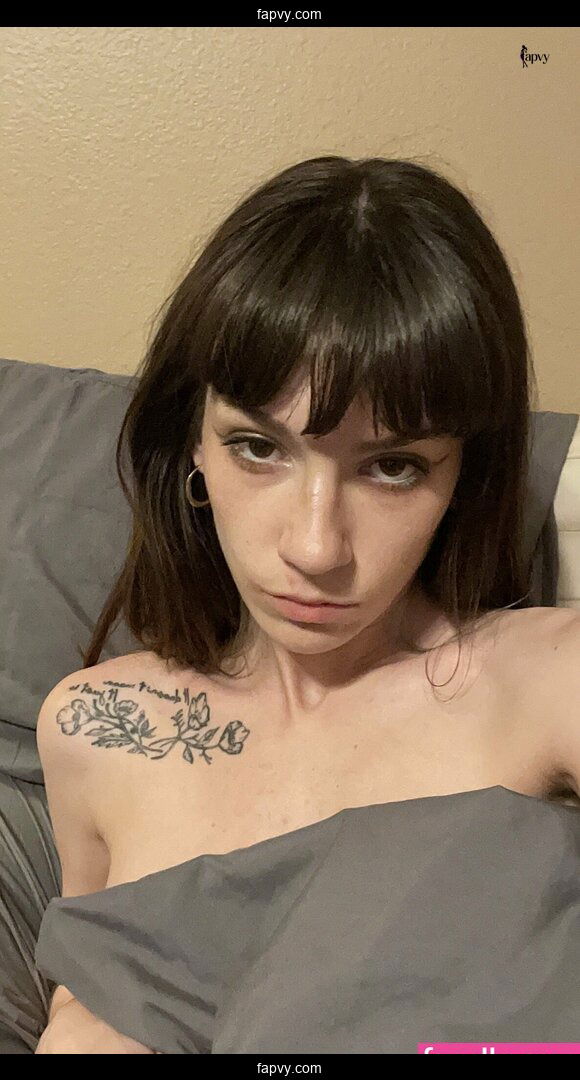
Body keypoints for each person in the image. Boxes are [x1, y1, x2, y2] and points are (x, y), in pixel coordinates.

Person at [34, 155, 580, 1054]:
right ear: (192, 446)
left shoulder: (547, 681)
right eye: (257, 447)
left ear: (463, 477)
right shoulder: (92, 726)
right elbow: (88, 990)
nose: (317, 548)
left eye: (393, 466)